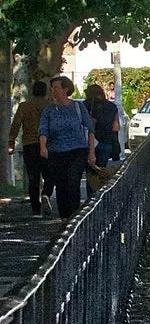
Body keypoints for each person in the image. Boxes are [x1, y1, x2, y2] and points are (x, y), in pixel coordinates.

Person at [38, 76, 96, 220]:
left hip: (77, 150)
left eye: (56, 88)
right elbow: (43, 129)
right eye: (52, 89)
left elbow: (90, 129)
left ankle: (73, 216)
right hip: (56, 151)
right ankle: (64, 217)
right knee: (61, 184)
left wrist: (91, 152)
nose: (53, 91)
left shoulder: (77, 106)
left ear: (66, 89)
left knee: (73, 180)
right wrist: (43, 146)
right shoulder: (49, 110)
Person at [8, 81, 52, 217]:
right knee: (50, 174)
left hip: (30, 144)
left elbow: (15, 125)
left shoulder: (24, 106)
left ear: (32, 91)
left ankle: (35, 210)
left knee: (33, 177)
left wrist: (11, 142)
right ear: (46, 91)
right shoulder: (50, 106)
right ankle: (46, 193)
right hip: (48, 144)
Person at [85, 83, 121, 166]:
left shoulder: (84, 105)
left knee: (89, 170)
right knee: (100, 170)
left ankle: (90, 178)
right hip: (106, 141)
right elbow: (116, 127)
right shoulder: (111, 106)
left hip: (89, 142)